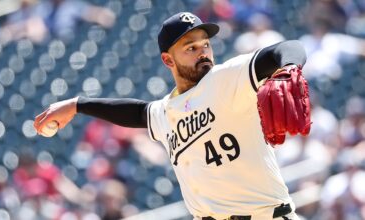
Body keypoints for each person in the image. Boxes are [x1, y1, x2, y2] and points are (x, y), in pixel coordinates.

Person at [34, 12, 307, 220]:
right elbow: (138, 113)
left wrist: (289, 67)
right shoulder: (167, 111)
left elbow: (287, 48)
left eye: (205, 45)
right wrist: (78, 104)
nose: (203, 52)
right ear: (168, 60)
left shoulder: (226, 78)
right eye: (191, 48)